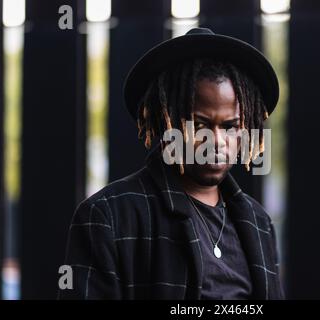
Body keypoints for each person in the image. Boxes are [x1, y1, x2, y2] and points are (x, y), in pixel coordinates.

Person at [59, 27, 284, 300]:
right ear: (166, 122)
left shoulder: (259, 222)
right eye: (199, 124)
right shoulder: (108, 216)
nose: (216, 140)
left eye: (230, 126)